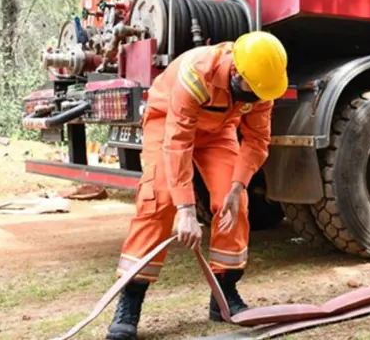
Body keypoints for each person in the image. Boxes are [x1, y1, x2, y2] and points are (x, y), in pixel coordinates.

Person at [106, 31, 289, 340]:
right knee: (159, 201)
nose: (257, 97)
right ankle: (130, 303)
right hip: (168, 122)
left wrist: (237, 186)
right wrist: (186, 209)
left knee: (235, 205)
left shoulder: (262, 84)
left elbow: (257, 140)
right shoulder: (197, 71)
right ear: (236, 72)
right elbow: (177, 141)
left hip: (217, 132)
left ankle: (224, 295)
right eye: (252, 90)